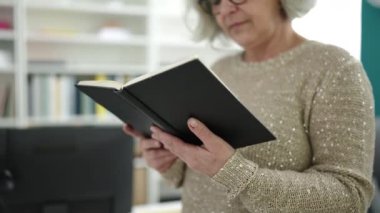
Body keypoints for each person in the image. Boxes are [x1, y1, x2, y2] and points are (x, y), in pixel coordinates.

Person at [123, 0, 376, 212]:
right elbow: (201, 176)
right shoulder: (220, 69)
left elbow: (350, 195)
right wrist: (170, 161)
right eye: (214, 2)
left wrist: (234, 172)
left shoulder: (334, 69)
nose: (224, 10)